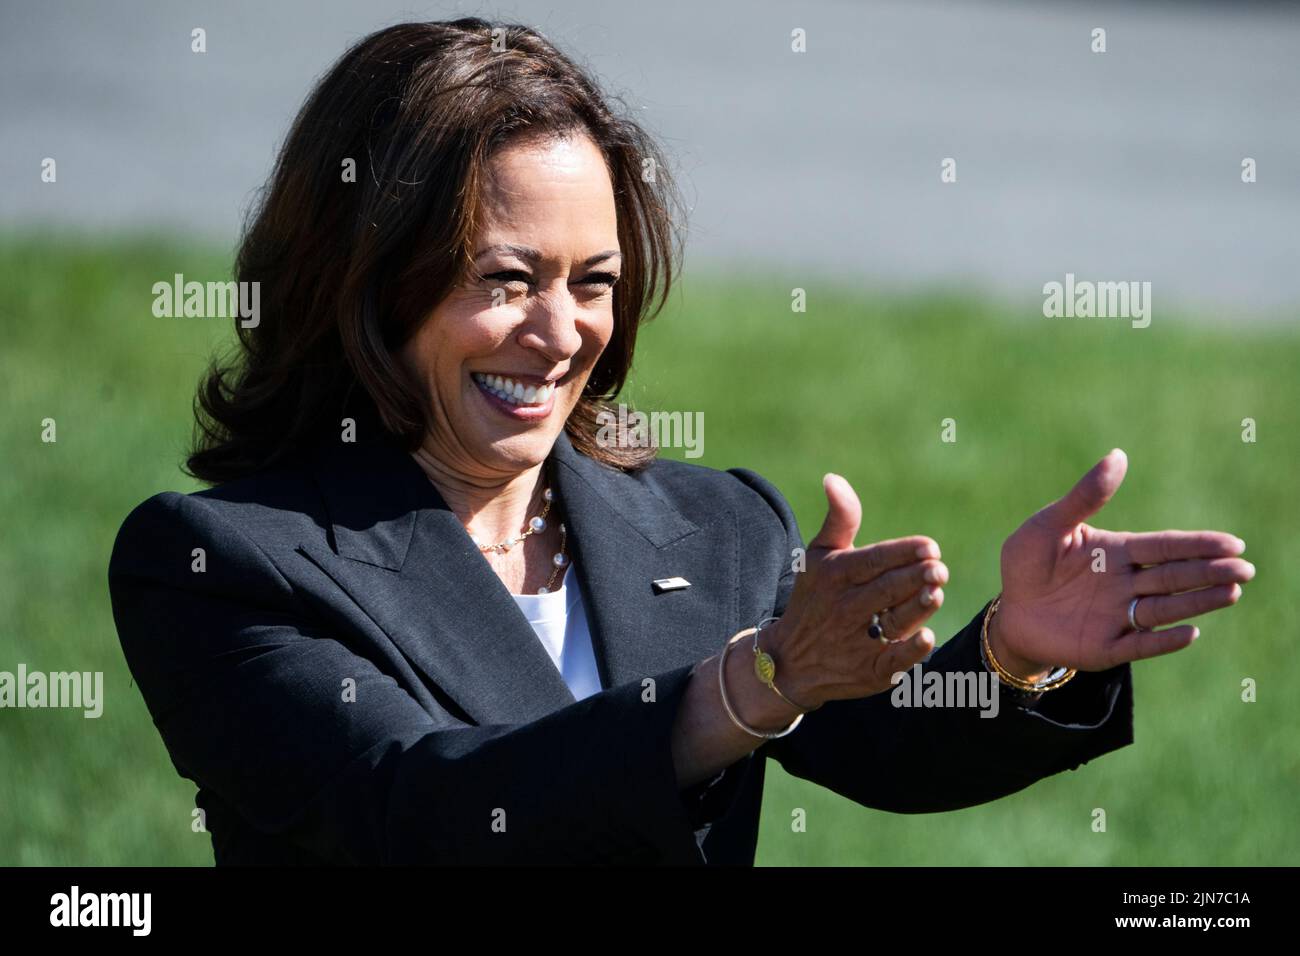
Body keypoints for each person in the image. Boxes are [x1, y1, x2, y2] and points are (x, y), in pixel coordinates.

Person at [107, 18, 1255, 865]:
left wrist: (1013, 650)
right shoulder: (221, 561)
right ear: (366, 282)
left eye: (594, 282)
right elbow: (410, 814)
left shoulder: (711, 525)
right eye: (505, 279)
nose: (562, 334)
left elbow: (885, 743)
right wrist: (745, 688)